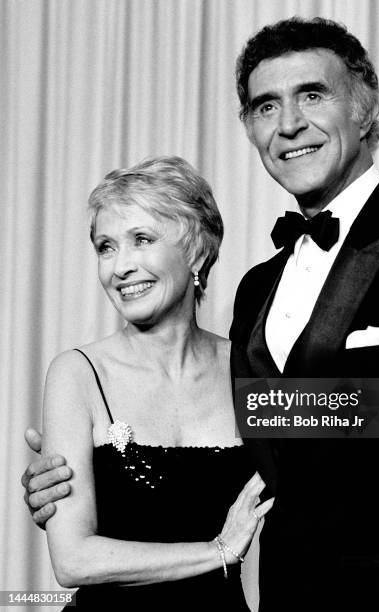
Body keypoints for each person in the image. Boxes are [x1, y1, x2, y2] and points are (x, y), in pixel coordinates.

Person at [23, 16, 379, 611]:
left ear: (366, 110)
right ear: (249, 127)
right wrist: (81, 478)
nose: (289, 123)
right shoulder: (257, 289)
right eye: (266, 107)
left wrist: (285, 406)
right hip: (285, 599)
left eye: (312, 95)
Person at [28, 155, 273, 610]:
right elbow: (73, 561)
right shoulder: (76, 373)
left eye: (141, 239)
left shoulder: (249, 365)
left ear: (196, 251)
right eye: (105, 247)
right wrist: (219, 550)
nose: (119, 267)